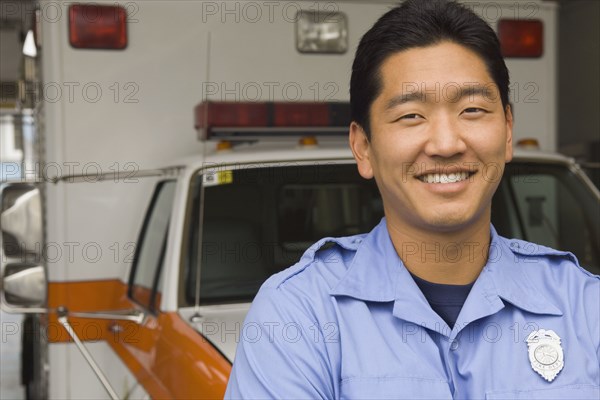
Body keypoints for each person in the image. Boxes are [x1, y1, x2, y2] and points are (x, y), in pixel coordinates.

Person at [225, 0, 600, 398]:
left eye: (472, 109)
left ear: (507, 131)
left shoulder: (584, 306)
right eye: (411, 116)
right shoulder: (298, 315)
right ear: (363, 146)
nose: (445, 144)